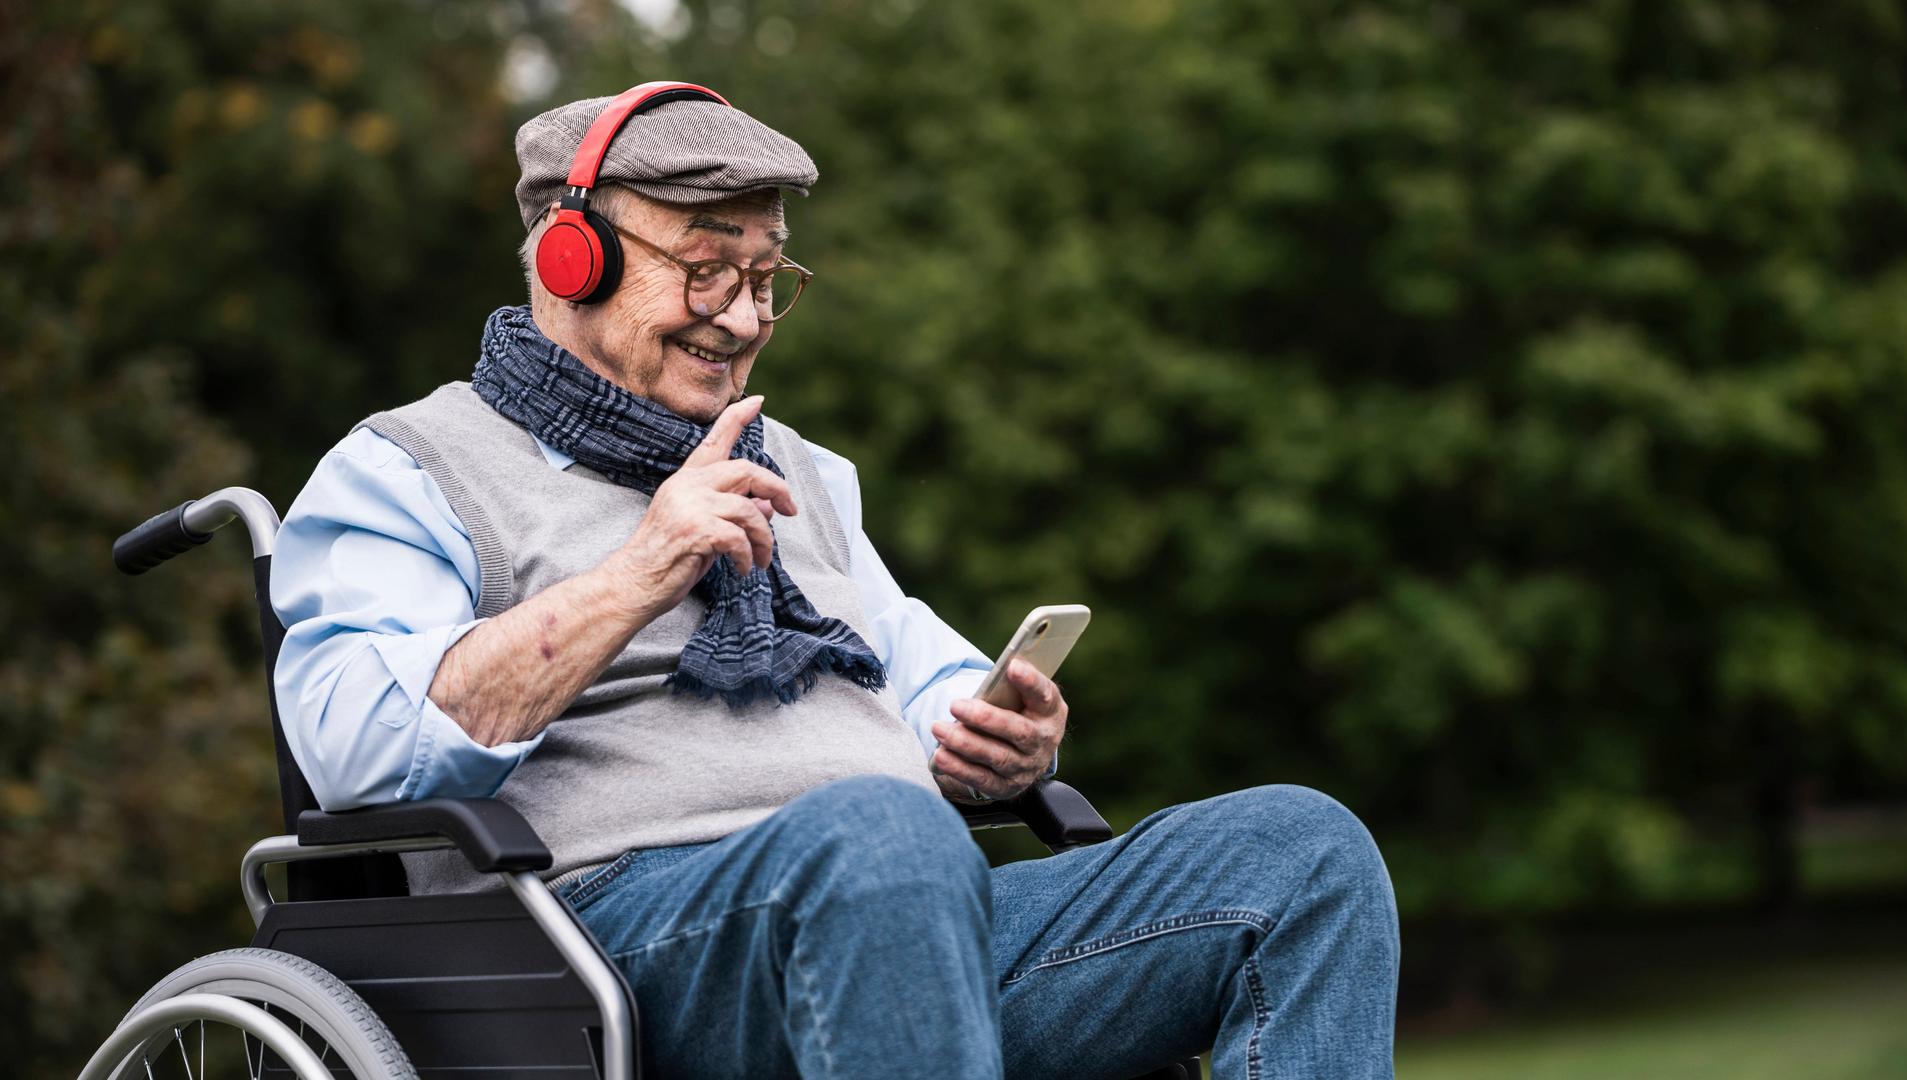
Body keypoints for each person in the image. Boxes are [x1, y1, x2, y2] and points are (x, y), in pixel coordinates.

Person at [271, 82, 1399, 1079]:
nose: (744, 318)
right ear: (575, 258)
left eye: (767, 279)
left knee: (1302, 855)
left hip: (912, 911)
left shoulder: (798, 470)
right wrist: (641, 571)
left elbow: (915, 672)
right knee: (877, 840)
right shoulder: (411, 469)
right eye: (706, 271)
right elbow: (359, 751)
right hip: (607, 944)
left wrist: (995, 737)